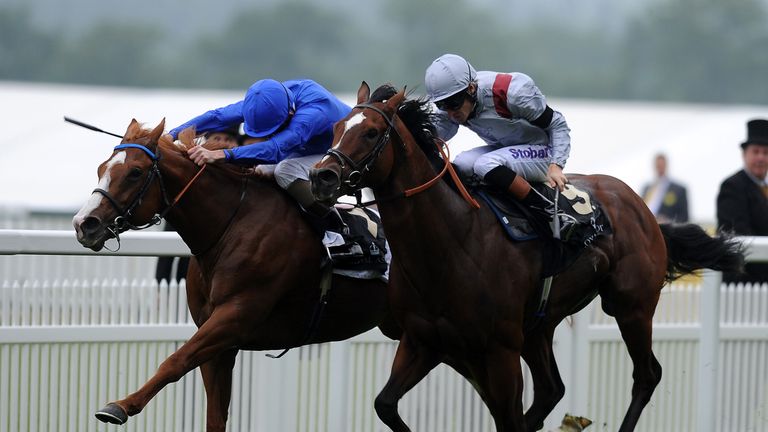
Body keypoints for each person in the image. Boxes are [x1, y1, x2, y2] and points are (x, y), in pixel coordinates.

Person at [168, 78, 351, 220]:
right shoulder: (266, 100)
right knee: (261, 171)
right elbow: (217, 117)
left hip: (345, 152)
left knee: (285, 171)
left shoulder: (311, 115)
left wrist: (222, 154)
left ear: (290, 113)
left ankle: (336, 227)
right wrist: (172, 134)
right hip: (309, 147)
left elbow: (275, 149)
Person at [424, 53, 571, 226]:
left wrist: (556, 165)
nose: (449, 113)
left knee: (485, 164)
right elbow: (432, 138)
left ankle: (551, 214)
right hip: (509, 151)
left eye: (453, 104)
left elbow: (557, 124)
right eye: (442, 105)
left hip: (544, 152)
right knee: (461, 163)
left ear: (471, 88)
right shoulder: (455, 101)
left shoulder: (513, 92)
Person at [156, 127, 243, 283]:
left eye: (228, 139)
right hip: (188, 277)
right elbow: (166, 250)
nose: (222, 143)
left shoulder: (248, 176)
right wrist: (161, 282)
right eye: (217, 138)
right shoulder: (189, 183)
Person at [716, 118, 768, 284]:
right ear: (744, 154)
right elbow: (739, 237)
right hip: (743, 283)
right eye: (756, 151)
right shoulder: (732, 187)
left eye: (766, 153)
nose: (761, 158)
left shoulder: (764, 189)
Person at [641, 153, 689, 223]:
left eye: (661, 165)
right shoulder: (646, 188)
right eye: (658, 165)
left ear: (666, 165)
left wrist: (667, 222)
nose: (659, 168)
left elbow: (684, 218)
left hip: (665, 230)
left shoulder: (678, 190)